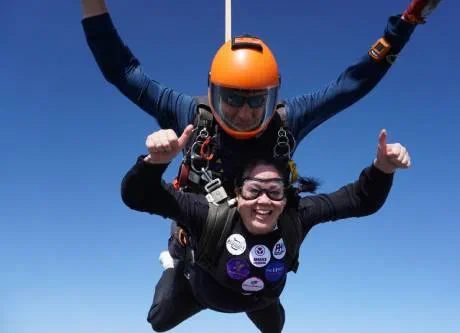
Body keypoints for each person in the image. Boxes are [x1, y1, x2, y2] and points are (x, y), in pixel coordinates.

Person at [81, 0, 440, 262]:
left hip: (260, 238)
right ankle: (175, 258)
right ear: (212, 93)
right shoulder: (190, 113)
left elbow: (351, 85)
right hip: (198, 231)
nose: (244, 112)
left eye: (257, 101)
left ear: (275, 97)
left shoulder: (287, 121)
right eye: (231, 99)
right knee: (164, 307)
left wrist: (405, 24)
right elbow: (122, 71)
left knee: (269, 309)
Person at [121, 125, 411, 332]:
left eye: (274, 192)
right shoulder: (208, 216)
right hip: (200, 291)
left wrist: (382, 169)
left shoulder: (296, 217)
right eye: (253, 191)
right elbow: (139, 195)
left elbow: (359, 200)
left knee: (275, 330)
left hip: (260, 299)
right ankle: (172, 264)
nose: (264, 201)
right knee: (158, 322)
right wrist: (153, 163)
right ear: (237, 193)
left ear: (285, 198)